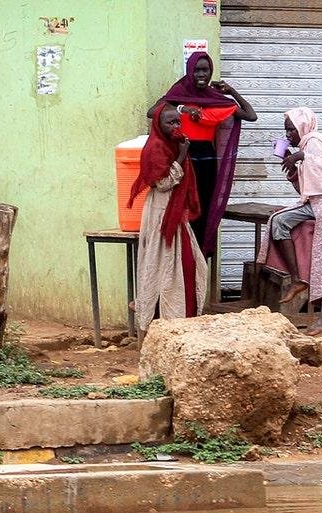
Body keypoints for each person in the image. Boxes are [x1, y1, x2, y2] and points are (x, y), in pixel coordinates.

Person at [147, 51, 257, 258]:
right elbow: (153, 111)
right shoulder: (178, 92)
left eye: (205, 70)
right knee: (185, 207)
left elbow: (251, 115)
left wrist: (231, 91)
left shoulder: (215, 98)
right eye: (197, 70)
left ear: (211, 72)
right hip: (184, 156)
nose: (201, 74)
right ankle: (182, 255)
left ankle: (200, 256)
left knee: (205, 207)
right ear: (190, 71)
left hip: (207, 159)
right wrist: (184, 109)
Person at [257, 107, 322, 336]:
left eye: (291, 129)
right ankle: (298, 279)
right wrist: (291, 167)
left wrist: (300, 157)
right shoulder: (305, 147)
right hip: (318, 203)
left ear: (303, 126)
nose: (289, 134)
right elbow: (306, 189)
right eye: (286, 130)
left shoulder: (315, 140)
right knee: (278, 221)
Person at [128, 104, 208, 334]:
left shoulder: (175, 143)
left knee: (186, 265)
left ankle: (182, 320)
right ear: (158, 124)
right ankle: (161, 323)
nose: (175, 126)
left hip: (176, 212)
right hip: (162, 212)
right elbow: (161, 183)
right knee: (162, 265)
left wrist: (181, 152)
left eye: (177, 122)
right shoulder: (155, 148)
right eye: (169, 122)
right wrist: (182, 155)